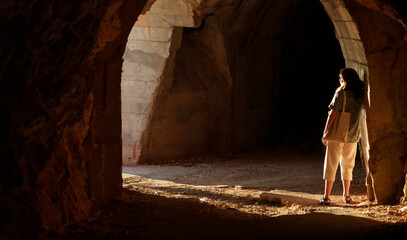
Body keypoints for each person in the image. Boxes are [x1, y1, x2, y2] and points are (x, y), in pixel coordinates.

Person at [320, 68, 365, 205]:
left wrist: (325, 132)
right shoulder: (360, 94)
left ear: (344, 79)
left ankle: (326, 197)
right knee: (348, 165)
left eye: (341, 78)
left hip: (337, 135)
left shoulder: (341, 93)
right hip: (352, 135)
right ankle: (347, 196)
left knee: (331, 164)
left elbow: (333, 114)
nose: (339, 80)